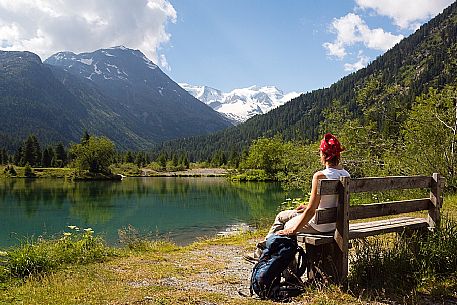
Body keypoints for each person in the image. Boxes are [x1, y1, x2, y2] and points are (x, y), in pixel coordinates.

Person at [253, 133, 350, 258]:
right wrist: (307, 208)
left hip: (320, 225)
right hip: (336, 223)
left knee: (284, 228)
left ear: (325, 155)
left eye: (320, 152)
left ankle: (282, 264)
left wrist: (293, 230)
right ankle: (262, 249)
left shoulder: (320, 176)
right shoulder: (346, 175)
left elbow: (311, 211)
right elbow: (327, 204)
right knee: (282, 215)